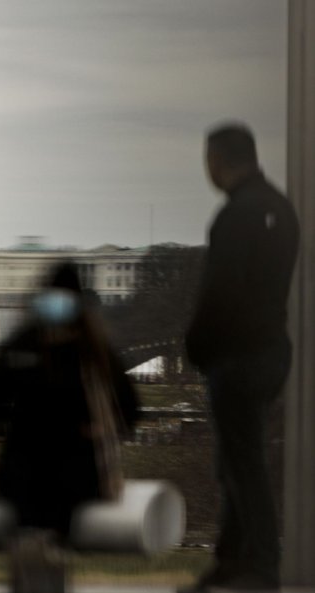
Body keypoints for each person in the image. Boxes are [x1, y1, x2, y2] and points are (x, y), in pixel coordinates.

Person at [181, 123, 299, 593]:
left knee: (243, 463)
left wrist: (197, 345)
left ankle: (257, 564)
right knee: (240, 458)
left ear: (218, 160)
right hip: (271, 351)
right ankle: (232, 561)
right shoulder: (280, 210)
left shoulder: (234, 215)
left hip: (238, 355)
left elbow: (220, 295)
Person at [0, 262, 138, 592]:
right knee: (33, 536)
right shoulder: (28, 344)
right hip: (31, 461)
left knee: (44, 537)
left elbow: (128, 405)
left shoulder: (89, 351)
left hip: (69, 462)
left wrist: (101, 430)